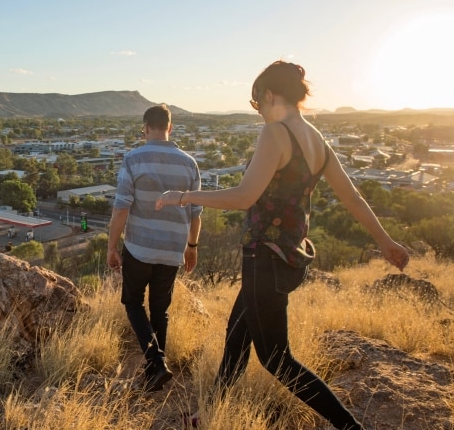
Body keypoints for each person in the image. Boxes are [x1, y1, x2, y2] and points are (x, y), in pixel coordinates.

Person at [156, 61, 409, 430]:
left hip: (264, 257)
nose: (258, 112)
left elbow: (244, 197)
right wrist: (385, 243)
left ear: (270, 96)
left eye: (258, 103)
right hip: (289, 256)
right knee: (237, 334)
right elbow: (352, 197)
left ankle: (351, 427)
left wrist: (183, 196)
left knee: (276, 359)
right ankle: (206, 416)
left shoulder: (275, 134)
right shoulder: (316, 140)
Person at [108, 103, 203, 392]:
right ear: (170, 128)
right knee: (160, 310)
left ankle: (156, 362)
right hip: (173, 249)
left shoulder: (133, 159)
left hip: (139, 248)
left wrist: (112, 245)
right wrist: (192, 247)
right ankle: (154, 374)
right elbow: (196, 212)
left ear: (147, 128)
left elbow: (122, 208)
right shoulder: (189, 163)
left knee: (133, 303)